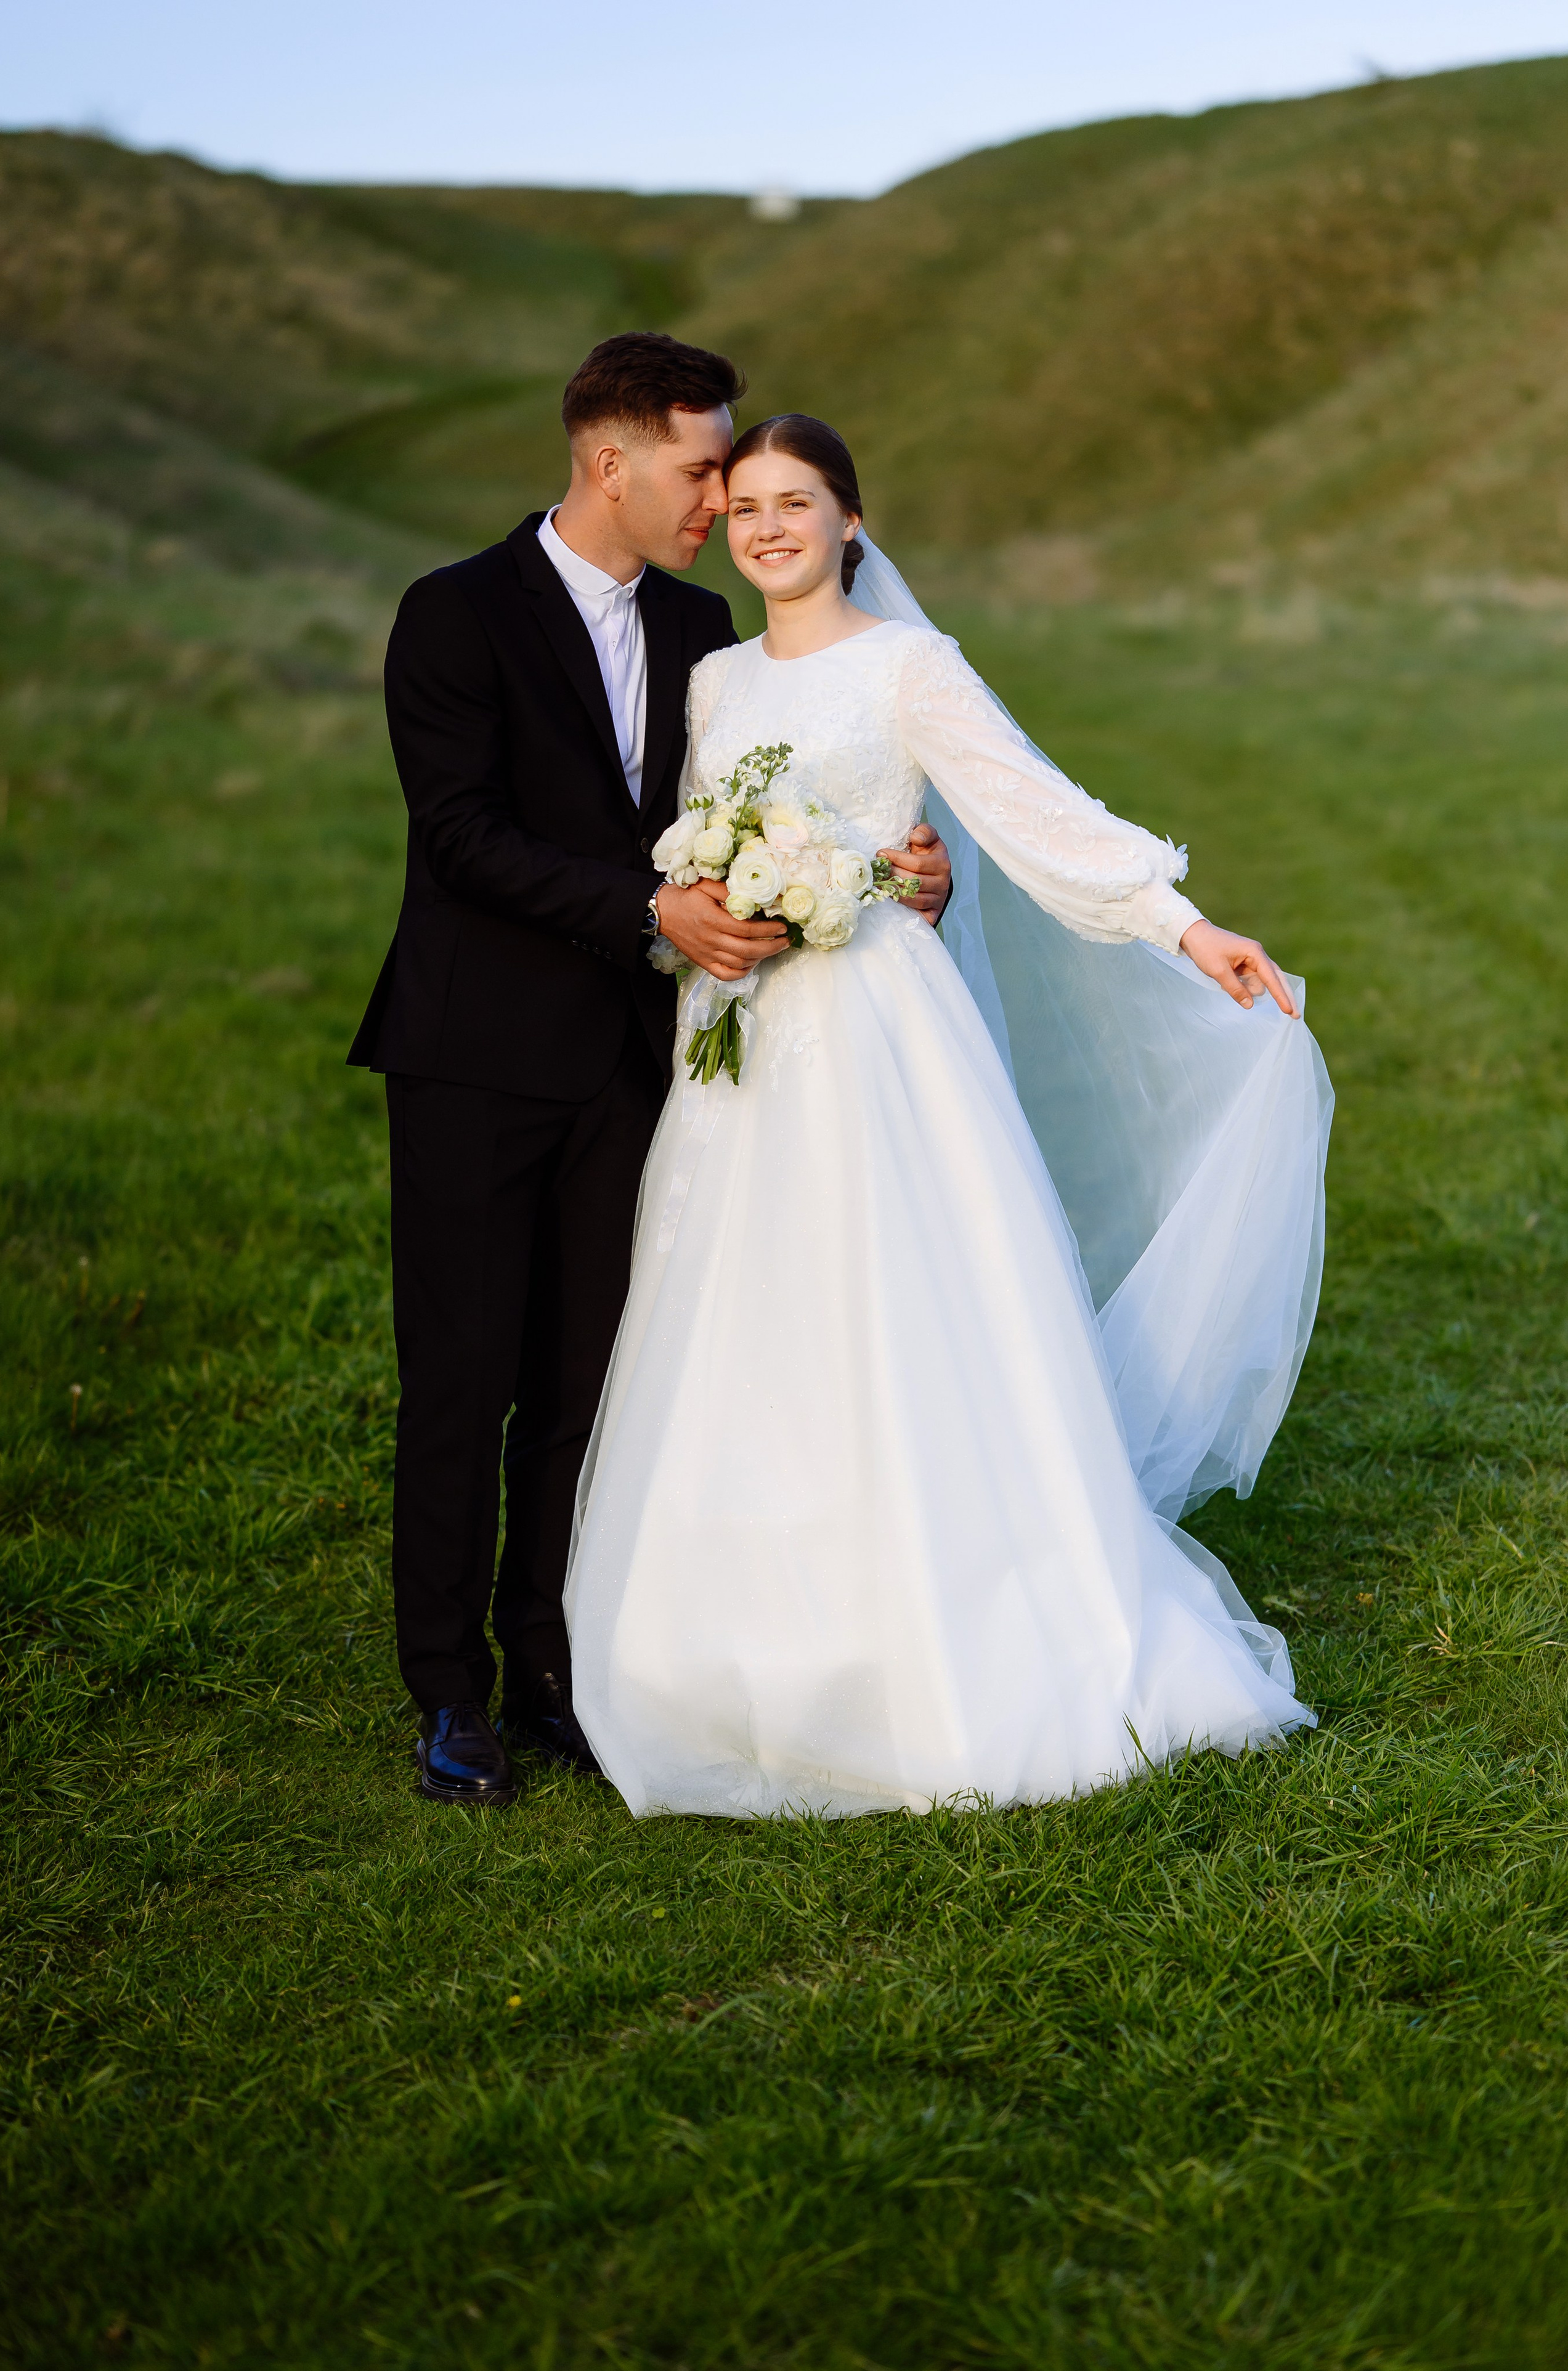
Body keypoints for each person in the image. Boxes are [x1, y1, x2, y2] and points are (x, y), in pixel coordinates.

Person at [563, 413, 1333, 1818]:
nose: (767, 529)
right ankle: (721, 1656)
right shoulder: (715, 682)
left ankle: (938, 1632)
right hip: (736, 1041)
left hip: (873, 1042)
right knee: (739, 1318)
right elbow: (681, 842)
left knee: (893, 1311)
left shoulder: (910, 667)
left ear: (852, 520)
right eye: (743, 508)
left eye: (796, 503)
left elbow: (1029, 816)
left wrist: (1182, 926)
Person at [349, 341, 954, 1807]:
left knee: (586, 1381)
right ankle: (448, 1694)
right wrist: (646, 911)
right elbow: (463, 837)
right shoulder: (453, 615)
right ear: (606, 461)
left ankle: (556, 1664)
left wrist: (898, 873)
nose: (720, 499)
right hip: (475, 1057)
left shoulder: (704, 630)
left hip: (652, 1060)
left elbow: (807, 780)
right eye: (698, 470)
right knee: (462, 1377)